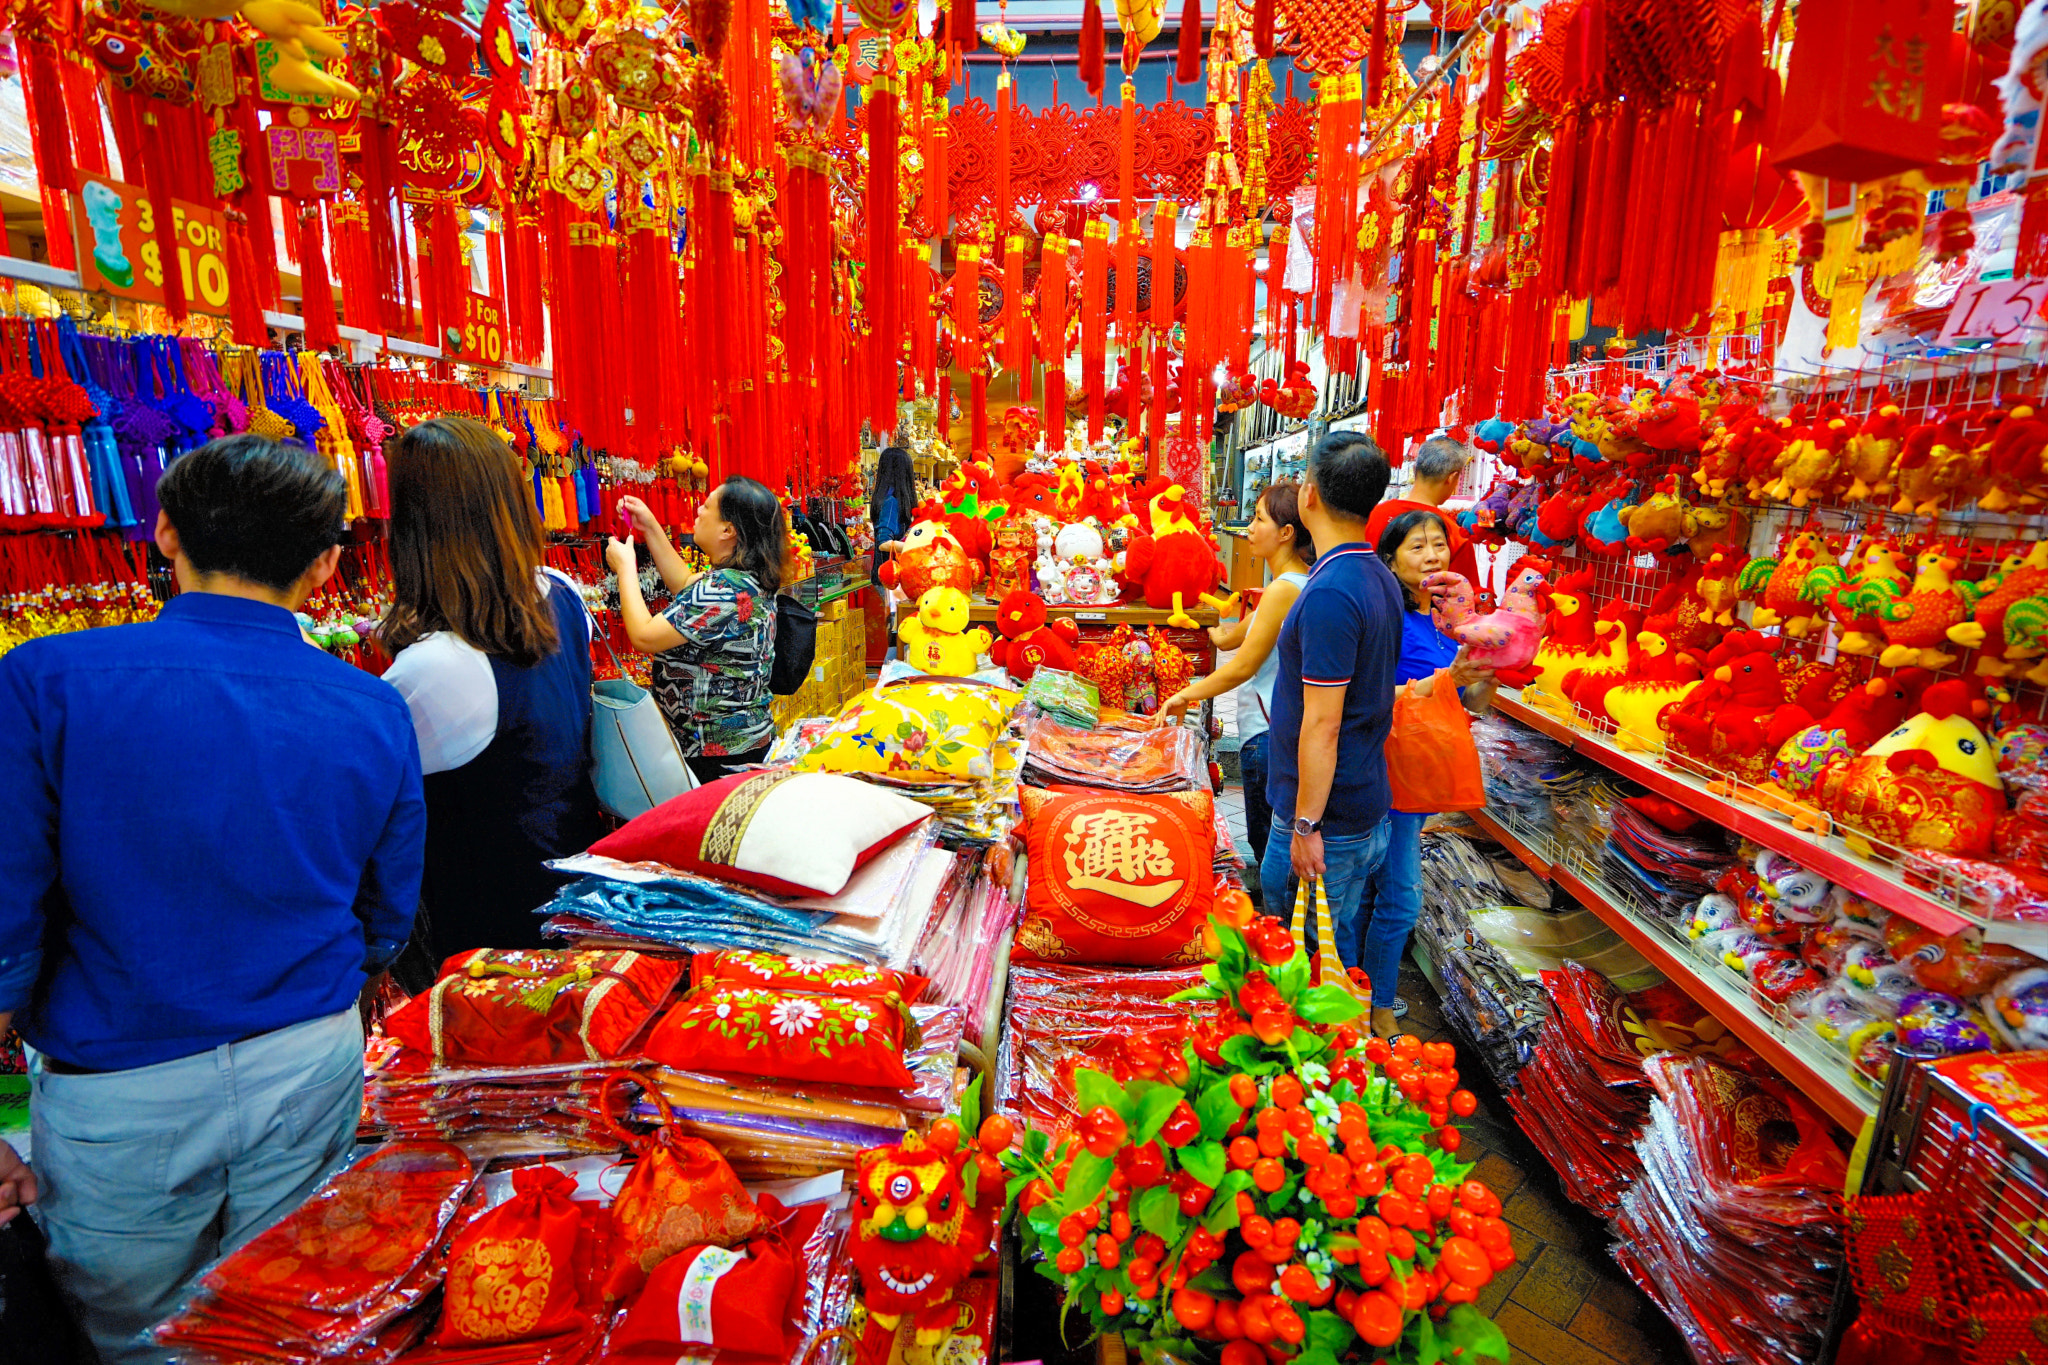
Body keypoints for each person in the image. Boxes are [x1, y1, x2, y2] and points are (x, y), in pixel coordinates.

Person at [0, 435, 425, 1364]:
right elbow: (388, 913)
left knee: (136, 1336)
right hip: (307, 1057)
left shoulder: (47, 681)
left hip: (121, 1084)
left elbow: (6, 913)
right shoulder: (371, 706)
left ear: (162, 533)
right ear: (325, 563)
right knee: (284, 1319)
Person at [379, 416, 602, 964]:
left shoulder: (432, 666)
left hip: (488, 942)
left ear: (414, 525)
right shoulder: (562, 594)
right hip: (573, 896)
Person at [1260, 432, 1403, 983]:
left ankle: (1322, 1060)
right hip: (1354, 800)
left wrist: (1305, 825)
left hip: (1328, 814)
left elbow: (1323, 723)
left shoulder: (1330, 592)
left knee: (1313, 966)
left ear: (1311, 494)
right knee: (1319, 948)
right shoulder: (1373, 575)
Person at [1364, 508, 1497, 1037]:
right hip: (1389, 770)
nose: (1432, 556)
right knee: (1400, 896)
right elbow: (1364, 696)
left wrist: (1485, 669)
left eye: (1438, 545)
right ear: (1392, 560)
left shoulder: (1457, 620)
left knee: (1385, 892)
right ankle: (1376, 1003)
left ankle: (1367, 990)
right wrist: (1447, 678)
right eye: (1417, 547)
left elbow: (1478, 703)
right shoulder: (1385, 617)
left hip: (1429, 773)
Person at [1158, 482, 1315, 885]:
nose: (1249, 527)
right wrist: (1201, 621)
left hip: (1267, 732)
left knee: (1271, 850)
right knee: (1273, 844)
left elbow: (1241, 666)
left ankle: (1278, 934)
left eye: (1259, 519)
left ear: (1286, 533)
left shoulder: (1283, 589)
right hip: (1275, 728)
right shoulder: (1295, 584)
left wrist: (1184, 694)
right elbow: (1231, 637)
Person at [608, 475, 784, 783]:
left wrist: (625, 568)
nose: (698, 512)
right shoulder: (743, 579)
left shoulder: (724, 588)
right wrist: (650, 527)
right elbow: (685, 585)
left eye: (706, 506)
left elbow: (643, 636)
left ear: (728, 530)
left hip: (715, 752)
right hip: (742, 744)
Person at [1362, 435, 1481, 585]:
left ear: (1414, 469)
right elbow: (1466, 597)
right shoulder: (1454, 535)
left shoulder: (1373, 514)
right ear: (1452, 478)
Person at [870, 445, 917, 582]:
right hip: (890, 581)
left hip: (890, 579)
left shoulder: (889, 499)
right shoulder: (891, 502)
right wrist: (920, 545)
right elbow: (884, 543)